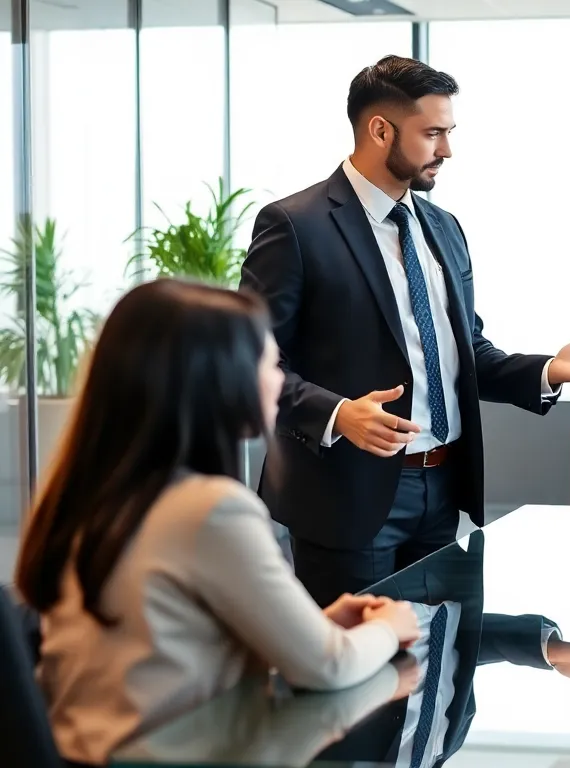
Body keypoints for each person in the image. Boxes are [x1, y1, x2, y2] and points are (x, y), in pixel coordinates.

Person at [240, 55, 570, 606]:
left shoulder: (442, 227)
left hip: (443, 487)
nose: (447, 150)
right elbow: (251, 363)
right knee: (360, 680)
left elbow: (464, 352)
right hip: (346, 498)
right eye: (433, 133)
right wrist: (337, 414)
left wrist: (549, 368)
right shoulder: (294, 225)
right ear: (380, 130)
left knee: (439, 665)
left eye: (448, 132)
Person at [14, 280, 422, 765]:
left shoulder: (95, 493)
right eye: (270, 364)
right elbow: (328, 666)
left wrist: (311, 625)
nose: (281, 381)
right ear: (218, 378)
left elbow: (163, 641)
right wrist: (390, 627)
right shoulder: (209, 509)